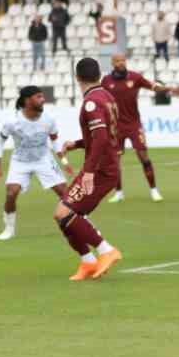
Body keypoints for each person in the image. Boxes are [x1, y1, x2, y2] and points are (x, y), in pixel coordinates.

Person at [53, 57, 124, 281]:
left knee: (64, 213)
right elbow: (105, 134)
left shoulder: (92, 102)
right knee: (66, 215)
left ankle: (106, 251)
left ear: (77, 78)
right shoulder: (107, 97)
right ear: (100, 75)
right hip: (107, 166)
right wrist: (77, 143)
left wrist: (90, 172)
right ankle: (88, 262)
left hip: (101, 169)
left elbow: (102, 137)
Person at [0, 86, 73, 241]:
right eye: (39, 97)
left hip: (43, 159)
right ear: (27, 100)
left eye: (42, 96)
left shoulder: (48, 119)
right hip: (20, 161)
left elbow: (55, 141)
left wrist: (64, 161)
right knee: (11, 193)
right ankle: (9, 229)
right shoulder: (12, 122)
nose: (43, 100)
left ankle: (76, 225)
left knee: (65, 194)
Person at [102, 51, 179, 203]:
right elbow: (100, 98)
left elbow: (152, 86)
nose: (121, 63)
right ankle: (118, 193)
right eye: (118, 61)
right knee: (115, 160)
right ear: (112, 63)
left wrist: (167, 88)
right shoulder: (106, 81)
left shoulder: (134, 77)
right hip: (115, 127)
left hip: (133, 124)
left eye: (123, 60)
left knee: (143, 156)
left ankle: (154, 190)